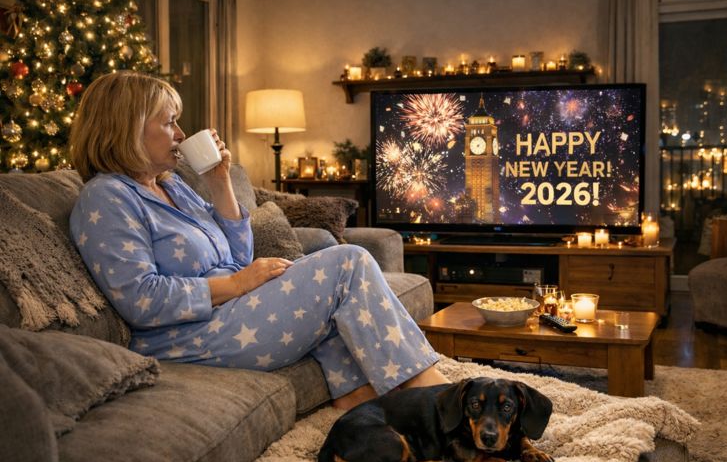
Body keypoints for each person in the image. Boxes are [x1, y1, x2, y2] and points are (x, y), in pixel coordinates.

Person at [68, 71, 448, 410]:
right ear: (127, 128)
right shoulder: (107, 197)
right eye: (169, 123)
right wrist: (236, 284)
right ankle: (431, 395)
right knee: (348, 263)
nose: (182, 135)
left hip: (233, 310)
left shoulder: (172, 186)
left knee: (333, 281)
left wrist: (220, 181)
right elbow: (140, 300)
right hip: (187, 337)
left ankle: (357, 397)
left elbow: (238, 256)